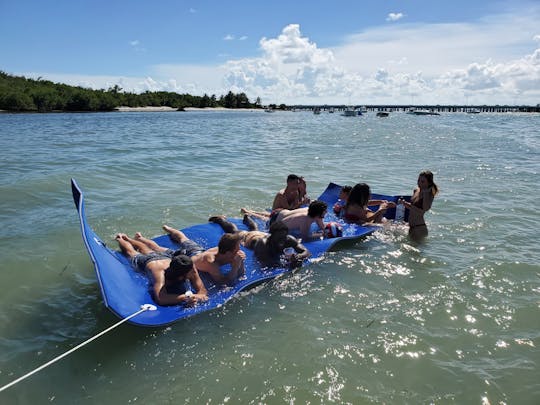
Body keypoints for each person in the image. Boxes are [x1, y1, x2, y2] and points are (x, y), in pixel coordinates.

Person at [115, 233, 208, 306]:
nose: (194, 272)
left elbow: (202, 291)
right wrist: (187, 297)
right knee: (131, 252)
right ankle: (120, 238)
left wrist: (196, 298)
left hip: (164, 257)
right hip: (150, 262)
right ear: (181, 274)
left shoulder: (190, 267)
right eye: (191, 272)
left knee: (146, 249)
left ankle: (129, 239)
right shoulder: (160, 273)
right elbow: (161, 298)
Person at [209, 216, 310, 268]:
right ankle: (220, 220)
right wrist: (288, 264)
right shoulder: (263, 244)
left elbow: (306, 251)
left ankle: (247, 219)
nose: (282, 240)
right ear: (273, 235)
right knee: (235, 232)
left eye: (283, 237)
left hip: (260, 234)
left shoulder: (288, 239)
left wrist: (298, 257)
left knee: (254, 228)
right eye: (279, 237)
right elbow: (265, 262)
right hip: (250, 238)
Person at [162, 225, 246, 284]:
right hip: (190, 257)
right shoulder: (211, 263)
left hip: (200, 251)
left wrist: (240, 263)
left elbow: (241, 274)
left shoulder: (230, 252)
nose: (239, 250)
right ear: (228, 252)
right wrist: (235, 267)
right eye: (237, 248)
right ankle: (169, 229)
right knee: (182, 240)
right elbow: (222, 282)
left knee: (185, 240)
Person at [398, 170, 438, 240]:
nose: (419, 183)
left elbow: (425, 209)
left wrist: (425, 193)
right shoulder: (416, 190)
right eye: (418, 180)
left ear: (429, 183)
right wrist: (404, 203)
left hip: (419, 228)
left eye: (422, 182)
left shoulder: (429, 194)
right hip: (411, 227)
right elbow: (413, 207)